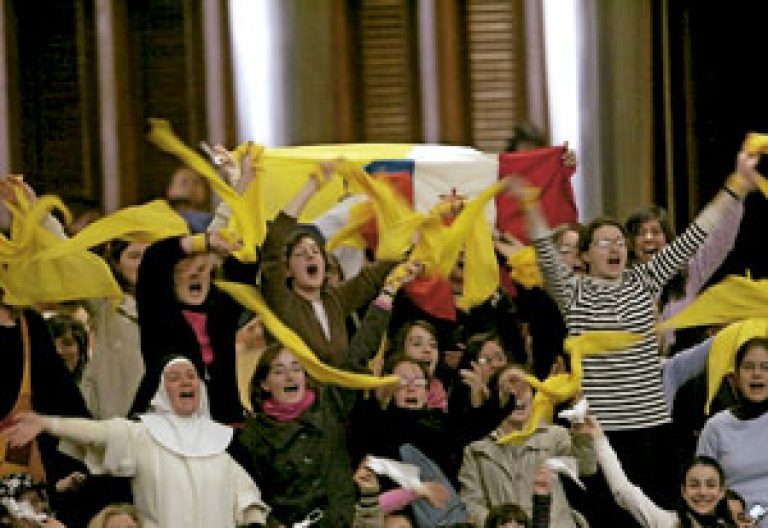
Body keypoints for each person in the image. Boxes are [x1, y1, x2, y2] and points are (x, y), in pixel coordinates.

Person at [508, 147, 760, 515]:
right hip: (602, 431)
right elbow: (545, 250)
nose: (615, 248)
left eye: (619, 242)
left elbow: (694, 236)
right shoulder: (573, 292)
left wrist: (735, 185)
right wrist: (530, 203)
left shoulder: (644, 280)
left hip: (653, 430)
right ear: (585, 256)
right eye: (603, 242)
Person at [231, 262, 418, 527]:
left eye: (297, 369)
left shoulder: (329, 405)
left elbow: (357, 355)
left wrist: (387, 294)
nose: (290, 376)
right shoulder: (252, 436)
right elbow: (249, 498)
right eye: (280, 371)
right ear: (264, 383)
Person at [5, 357, 269, 528]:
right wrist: (49, 424)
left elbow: (245, 496)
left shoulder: (218, 443)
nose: (185, 381)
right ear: (161, 391)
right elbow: (98, 432)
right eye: (174, 377)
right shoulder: (143, 435)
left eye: (191, 375)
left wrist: (254, 521)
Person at [260, 165, 395, 367]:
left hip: (336, 398)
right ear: (288, 270)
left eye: (315, 252)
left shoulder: (335, 301)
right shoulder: (284, 303)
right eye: (300, 253)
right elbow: (273, 247)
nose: (310, 256)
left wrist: (418, 243)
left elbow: (371, 278)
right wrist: (312, 186)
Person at [129, 230, 254, 423]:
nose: (195, 273)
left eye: (202, 268)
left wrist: (235, 244)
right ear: (171, 277)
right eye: (184, 268)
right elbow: (154, 259)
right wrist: (203, 242)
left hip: (222, 418)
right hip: (166, 417)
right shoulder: (157, 309)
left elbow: (248, 266)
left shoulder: (222, 308)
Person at [458, 364, 595, 527]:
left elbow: (586, 468)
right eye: (507, 388)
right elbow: (470, 502)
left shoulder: (554, 435)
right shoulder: (477, 448)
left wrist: (581, 434)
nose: (517, 394)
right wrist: (497, 523)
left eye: (524, 387)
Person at [591, 416, 737, 527]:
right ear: (683, 492)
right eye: (694, 485)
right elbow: (625, 492)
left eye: (710, 485)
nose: (703, 492)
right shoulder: (667, 523)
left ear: (721, 492)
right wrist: (599, 439)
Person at [697, 337, 768, 527]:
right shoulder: (716, 427)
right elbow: (701, 485)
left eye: (765, 367)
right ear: (734, 378)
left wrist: (758, 515)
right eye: (748, 367)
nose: (757, 374)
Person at [79, 240, 148, 419]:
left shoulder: (181, 304)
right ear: (117, 264)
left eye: (150, 255)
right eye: (134, 256)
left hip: (168, 426)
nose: (144, 263)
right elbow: (67, 259)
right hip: (115, 424)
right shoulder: (104, 303)